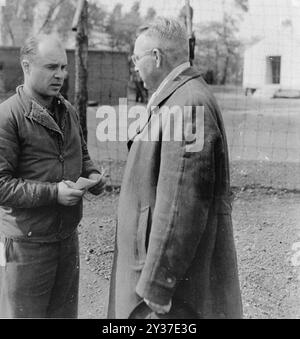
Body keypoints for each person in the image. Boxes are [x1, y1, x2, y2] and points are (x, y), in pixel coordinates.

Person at [108, 17, 243, 319]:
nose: (135, 67)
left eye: (136, 59)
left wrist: (158, 284)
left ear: (155, 58)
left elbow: (183, 203)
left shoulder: (187, 103)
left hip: (169, 292)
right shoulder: (177, 98)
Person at [0, 34, 105, 318]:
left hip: (66, 239)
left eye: (63, 67)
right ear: (25, 65)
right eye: (50, 67)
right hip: (28, 244)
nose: (60, 75)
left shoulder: (67, 109)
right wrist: (54, 193)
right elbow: (1, 185)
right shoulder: (8, 116)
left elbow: (81, 156)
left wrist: (94, 175)